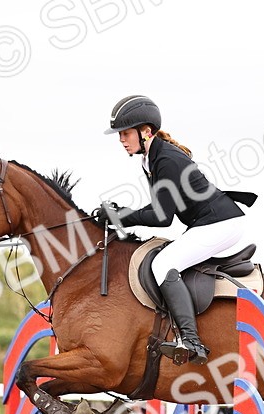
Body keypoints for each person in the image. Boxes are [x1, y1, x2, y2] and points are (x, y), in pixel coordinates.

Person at [94, 95, 254, 366]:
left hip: (221, 224)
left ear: (146, 132)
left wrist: (121, 216)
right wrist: (120, 213)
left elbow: (162, 217)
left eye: (126, 133)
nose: (122, 140)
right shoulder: (151, 158)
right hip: (212, 223)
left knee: (163, 263)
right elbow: (161, 206)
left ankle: (192, 342)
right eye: (119, 135)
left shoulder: (165, 159)